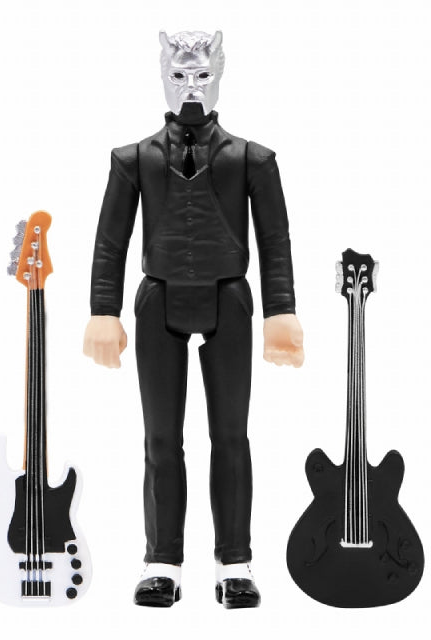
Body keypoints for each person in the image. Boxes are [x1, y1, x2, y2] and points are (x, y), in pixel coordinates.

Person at [83, 30, 304, 609]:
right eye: (179, 74)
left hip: (229, 298)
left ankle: (235, 562)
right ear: (162, 75)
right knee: (161, 438)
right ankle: (162, 561)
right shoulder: (133, 160)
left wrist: (282, 310)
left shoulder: (253, 159)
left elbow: (275, 241)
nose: (190, 86)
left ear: (219, 75)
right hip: (158, 299)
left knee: (231, 436)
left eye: (202, 74)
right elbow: (110, 241)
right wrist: (103, 310)